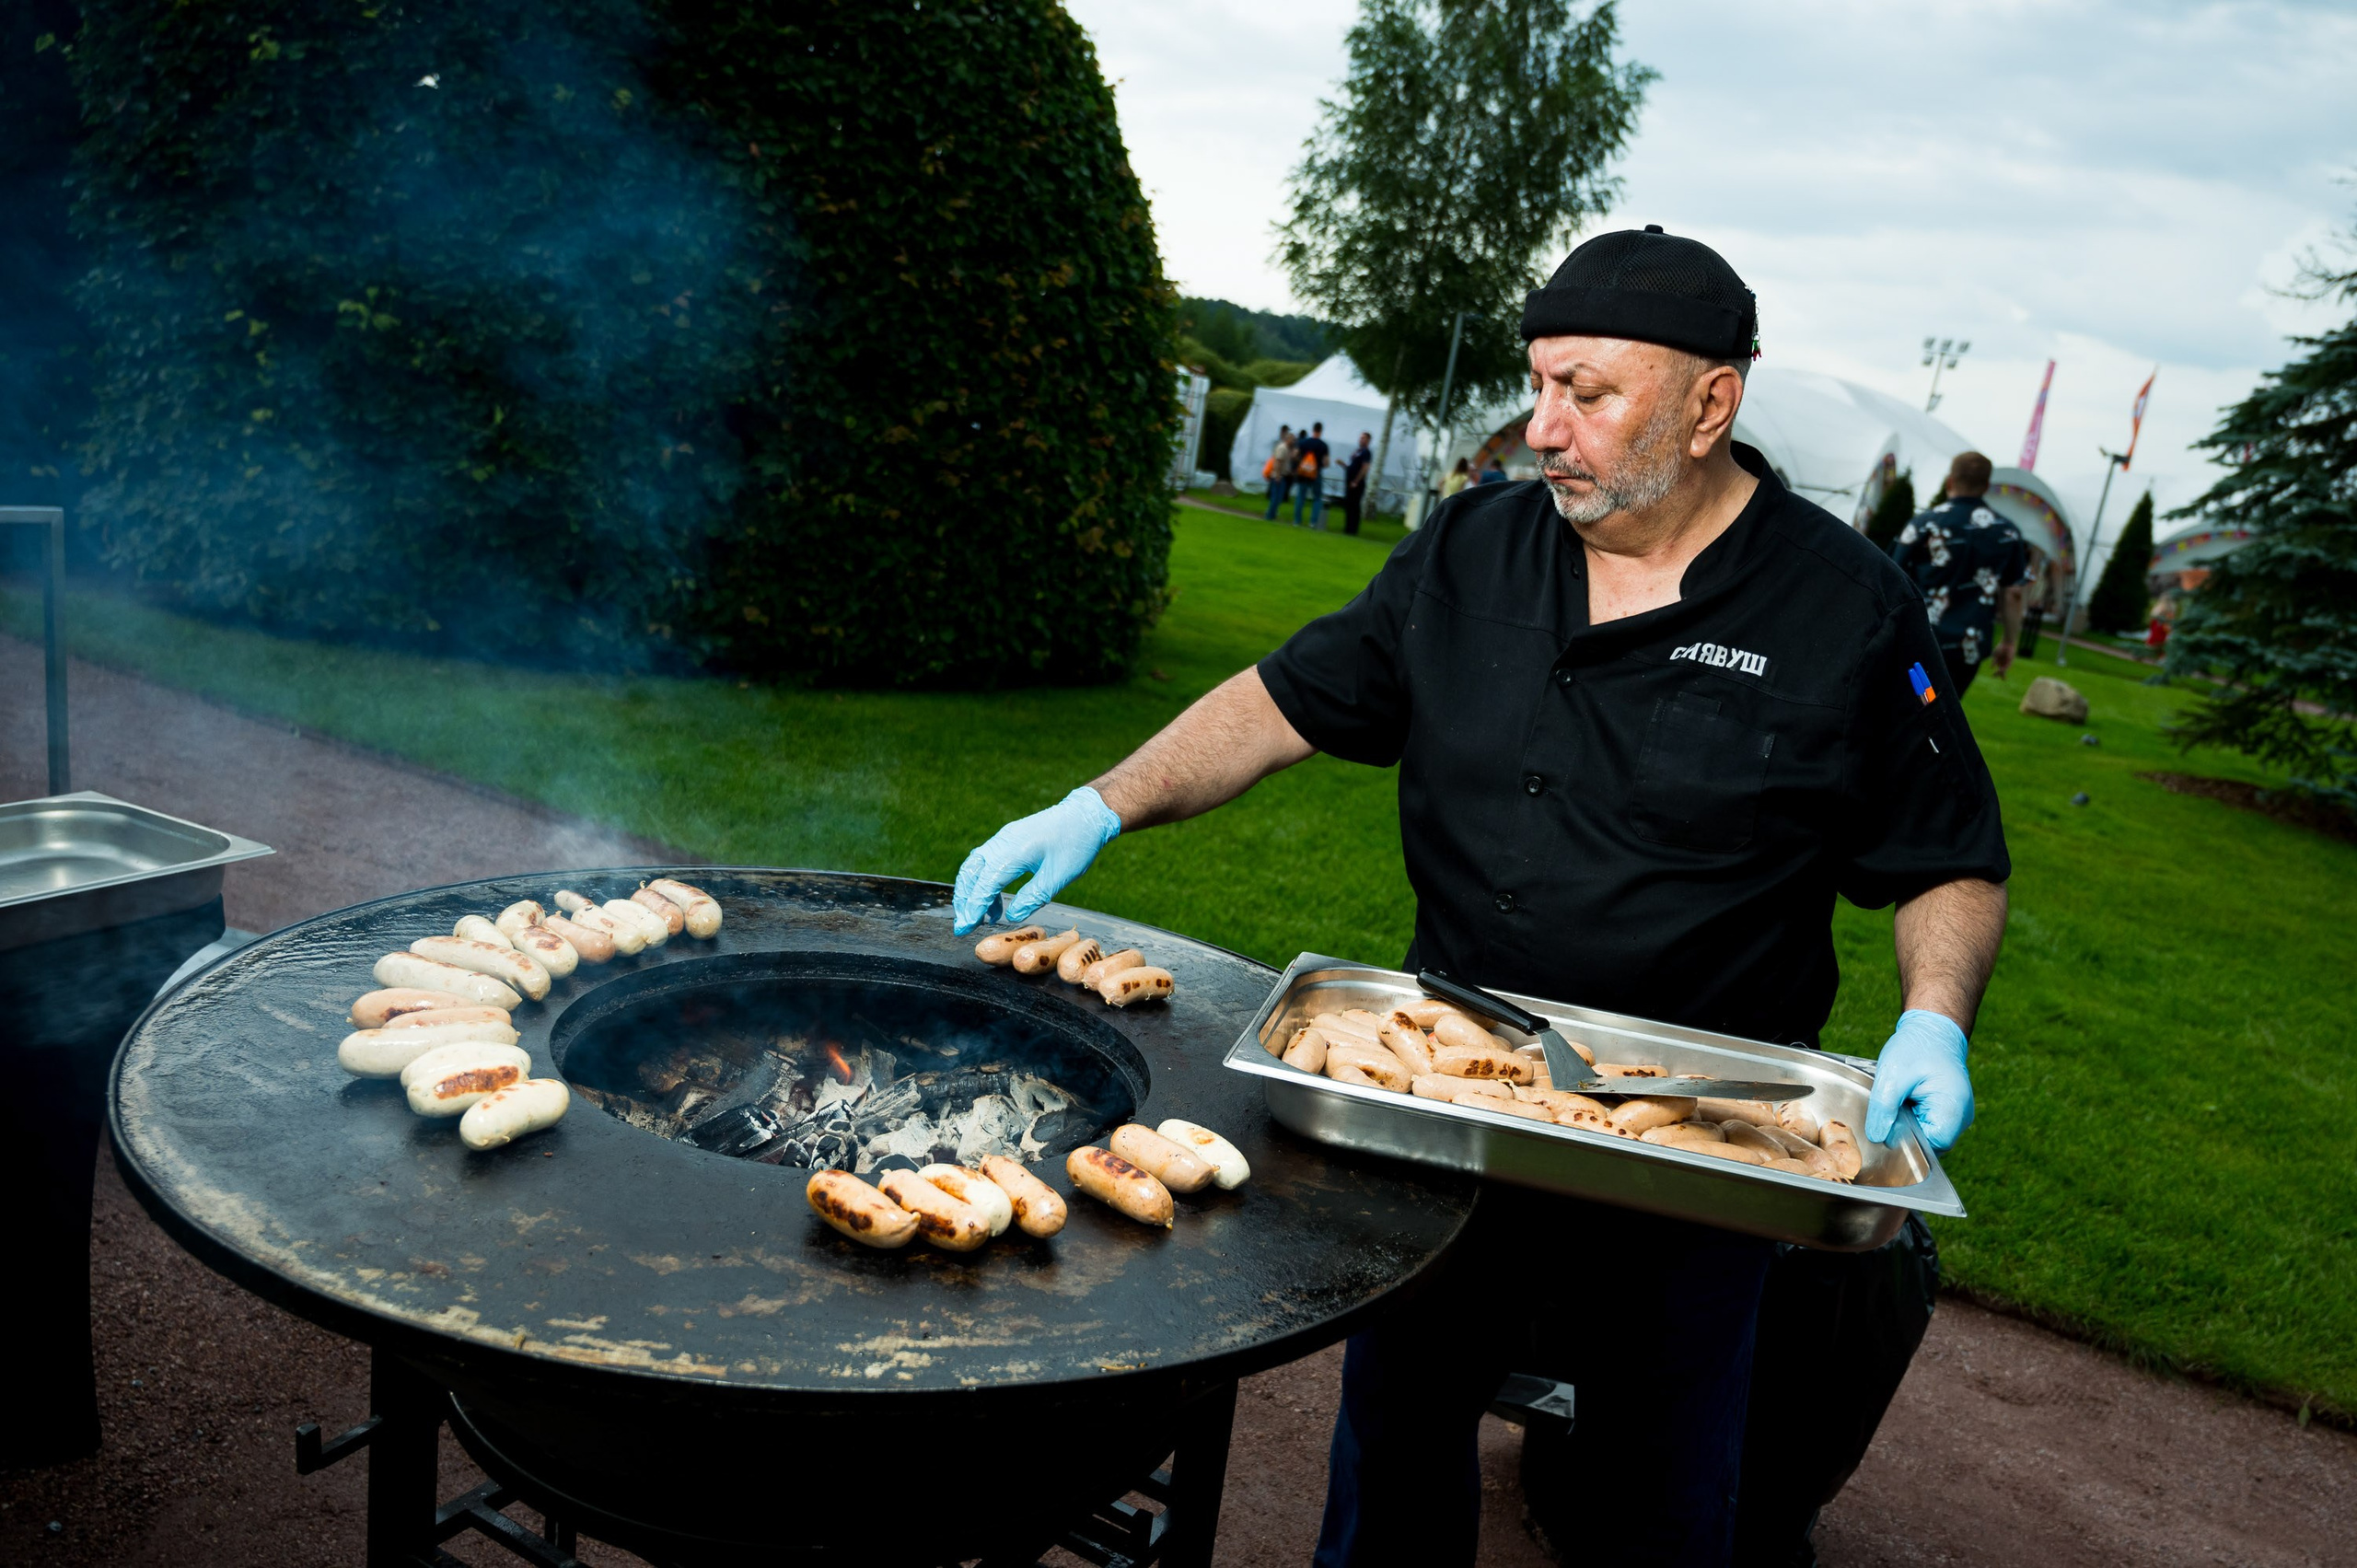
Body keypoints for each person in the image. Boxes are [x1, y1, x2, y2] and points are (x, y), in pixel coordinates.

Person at [951, 225, 2004, 1568]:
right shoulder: (1473, 548)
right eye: (1539, 383)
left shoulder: (1846, 607)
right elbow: (1283, 699)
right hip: (1447, 1079)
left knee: (1659, 1486)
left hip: (1697, 1135)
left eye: (1589, 392)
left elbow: (1949, 854)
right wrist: (1101, 799)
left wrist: (1937, 1013)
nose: (1542, 427)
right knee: (1396, 1435)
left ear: (1709, 404)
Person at [1889, 451, 2030, 700]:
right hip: (1967, 648)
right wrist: (2009, 641)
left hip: (1919, 639)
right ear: (1986, 486)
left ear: (1950, 481)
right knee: (1940, 715)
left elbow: (1890, 579)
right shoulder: (2007, 533)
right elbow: (2014, 593)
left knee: (1907, 709)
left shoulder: (1924, 524)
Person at [1295, 421, 1332, 529]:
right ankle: (1313, 522)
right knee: (1317, 498)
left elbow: (1295, 455)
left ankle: (1297, 521)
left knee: (1301, 496)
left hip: (1303, 473)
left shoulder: (1303, 442)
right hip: (1316, 474)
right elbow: (1326, 463)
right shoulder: (1323, 445)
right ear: (1321, 431)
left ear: (1313, 429)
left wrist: (1302, 462)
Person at [1341, 431, 1374, 536]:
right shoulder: (1357, 451)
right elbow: (1351, 466)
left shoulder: (1366, 452)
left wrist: (1356, 481)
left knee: (1354, 505)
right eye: (1360, 438)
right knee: (1349, 505)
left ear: (1368, 440)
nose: (1361, 440)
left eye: (1363, 438)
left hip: (1357, 483)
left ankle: (1352, 529)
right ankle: (1347, 527)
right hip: (1350, 481)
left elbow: (1365, 468)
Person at [1263, 425, 1296, 520]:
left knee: (1279, 497)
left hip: (1282, 475)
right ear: (1288, 439)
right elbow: (1278, 461)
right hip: (1279, 476)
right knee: (1276, 497)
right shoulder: (1282, 448)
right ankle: (1270, 515)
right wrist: (1277, 475)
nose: (1294, 442)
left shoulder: (1286, 449)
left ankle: (1271, 514)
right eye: (1292, 440)